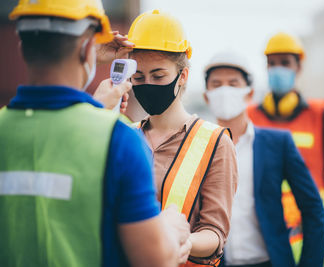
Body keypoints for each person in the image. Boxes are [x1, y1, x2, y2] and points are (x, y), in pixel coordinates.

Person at [0, 1, 191, 266]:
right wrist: (171, 227)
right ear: (87, 47)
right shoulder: (119, 140)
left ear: (21, 46)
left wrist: (96, 103)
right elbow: (154, 260)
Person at [126, 10, 238, 266]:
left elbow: (215, 232)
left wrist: (183, 242)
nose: (148, 85)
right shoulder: (126, 136)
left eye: (158, 76)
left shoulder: (215, 141)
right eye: (138, 78)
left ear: (182, 76)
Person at [247, 32, 324, 266]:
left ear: (299, 66)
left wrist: (321, 182)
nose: (278, 69)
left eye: (285, 63)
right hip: (264, 234)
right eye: (272, 63)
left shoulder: (319, 115)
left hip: (311, 232)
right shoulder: (250, 118)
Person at [203, 51, 324, 267]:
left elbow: (313, 208)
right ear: (206, 96)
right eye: (217, 84)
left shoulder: (277, 144)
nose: (225, 91)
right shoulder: (196, 147)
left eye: (233, 83)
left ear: (249, 94)